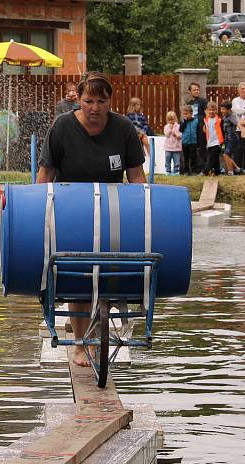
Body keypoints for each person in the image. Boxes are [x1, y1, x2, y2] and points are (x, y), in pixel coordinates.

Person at [37, 71, 146, 367]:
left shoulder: (123, 128)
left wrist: (144, 208)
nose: (95, 107)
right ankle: (81, 345)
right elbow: (45, 174)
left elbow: (136, 177)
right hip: (71, 209)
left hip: (112, 208)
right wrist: (36, 211)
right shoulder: (62, 127)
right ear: (78, 100)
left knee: (108, 274)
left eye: (101, 101)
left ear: (110, 101)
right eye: (88, 101)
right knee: (79, 276)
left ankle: (98, 329)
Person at [187, 82, 208, 173]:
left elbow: (207, 114)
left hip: (201, 127)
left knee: (202, 147)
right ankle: (194, 168)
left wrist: (205, 125)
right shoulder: (189, 103)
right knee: (193, 148)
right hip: (192, 128)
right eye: (194, 90)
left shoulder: (203, 101)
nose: (196, 91)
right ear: (190, 91)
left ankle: (204, 168)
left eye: (197, 90)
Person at [232, 81, 245, 172]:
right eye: (242, 88)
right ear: (238, 90)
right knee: (239, 150)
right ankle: (237, 170)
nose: (244, 90)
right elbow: (236, 111)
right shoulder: (236, 100)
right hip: (239, 129)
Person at [219, 100, 240, 175]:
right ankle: (237, 169)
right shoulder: (225, 116)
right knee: (227, 156)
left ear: (229, 109)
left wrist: (243, 131)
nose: (222, 111)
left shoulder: (232, 116)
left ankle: (230, 172)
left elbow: (238, 123)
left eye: (224, 109)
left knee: (226, 155)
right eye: (221, 109)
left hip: (232, 139)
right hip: (227, 139)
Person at [203, 101, 223, 176]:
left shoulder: (219, 120)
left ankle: (206, 170)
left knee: (211, 158)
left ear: (216, 110)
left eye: (213, 109)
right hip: (210, 142)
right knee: (216, 159)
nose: (211, 111)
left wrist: (222, 142)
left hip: (217, 142)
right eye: (210, 110)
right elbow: (206, 129)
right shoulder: (206, 120)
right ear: (207, 110)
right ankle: (217, 172)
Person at [180, 105, 199, 175]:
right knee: (186, 158)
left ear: (191, 113)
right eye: (184, 114)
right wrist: (185, 122)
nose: (185, 115)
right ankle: (186, 171)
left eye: (187, 114)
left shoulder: (196, 121)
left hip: (193, 142)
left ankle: (194, 171)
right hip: (185, 142)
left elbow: (198, 131)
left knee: (193, 157)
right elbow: (181, 130)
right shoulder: (183, 121)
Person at [163, 111, 182, 175]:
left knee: (176, 160)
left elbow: (180, 135)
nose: (171, 121)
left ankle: (176, 171)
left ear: (175, 119)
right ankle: (168, 171)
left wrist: (176, 134)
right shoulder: (166, 127)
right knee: (167, 159)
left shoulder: (178, 126)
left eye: (172, 119)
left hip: (176, 147)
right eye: (169, 120)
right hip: (168, 147)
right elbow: (166, 134)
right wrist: (170, 130)